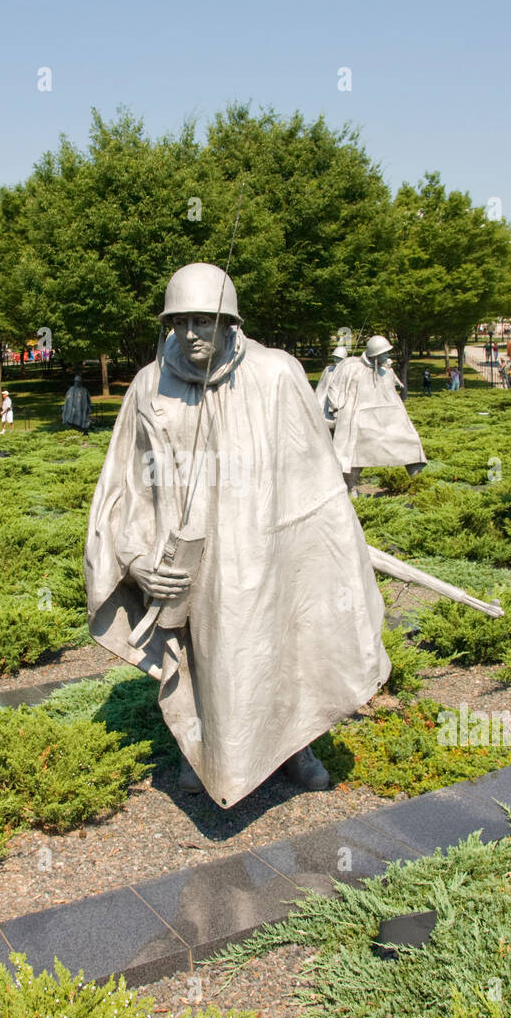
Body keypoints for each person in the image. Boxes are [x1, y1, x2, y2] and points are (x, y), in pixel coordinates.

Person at [84, 262, 390, 809]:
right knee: (202, 650)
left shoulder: (277, 374)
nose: (191, 334)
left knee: (286, 642)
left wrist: (329, 547)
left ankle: (299, 744)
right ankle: (198, 746)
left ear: (230, 322)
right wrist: (132, 557)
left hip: (268, 547)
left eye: (205, 320)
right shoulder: (150, 384)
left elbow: (315, 476)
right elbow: (125, 483)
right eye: (180, 322)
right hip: (192, 556)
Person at [327, 335, 427, 497]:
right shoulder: (352, 369)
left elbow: (391, 391)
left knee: (411, 442)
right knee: (353, 455)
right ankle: (351, 487)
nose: (387, 356)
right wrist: (335, 409)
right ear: (374, 355)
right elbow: (334, 387)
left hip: (388, 419)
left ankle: (421, 484)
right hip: (359, 420)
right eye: (384, 353)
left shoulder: (385, 370)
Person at [314, 344, 348, 426]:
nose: (336, 360)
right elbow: (321, 387)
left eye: (339, 358)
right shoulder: (328, 370)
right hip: (325, 402)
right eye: (335, 357)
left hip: (338, 405)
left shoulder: (347, 372)